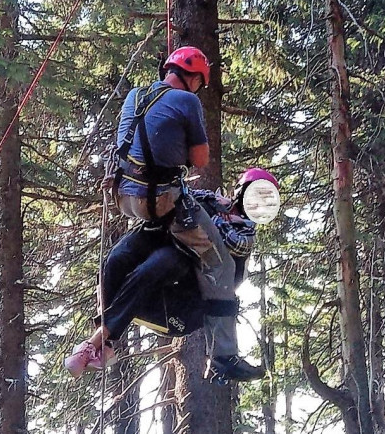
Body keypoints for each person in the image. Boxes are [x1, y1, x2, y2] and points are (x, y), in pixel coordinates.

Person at [65, 45, 257, 380]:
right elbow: (199, 160)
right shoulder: (188, 101)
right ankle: (225, 356)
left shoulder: (135, 96)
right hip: (161, 202)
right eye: (200, 81)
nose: (199, 88)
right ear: (194, 76)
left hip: (127, 199)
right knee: (221, 264)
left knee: (123, 256)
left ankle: (100, 342)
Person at [64, 169, 280, 382]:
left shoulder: (244, 234)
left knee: (159, 265)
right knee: (117, 259)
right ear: (243, 191)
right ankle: (105, 347)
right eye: (257, 195)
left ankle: (95, 342)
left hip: (182, 307)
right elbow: (172, 197)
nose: (258, 204)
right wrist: (124, 185)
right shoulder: (210, 199)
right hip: (150, 286)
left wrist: (204, 217)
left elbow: (226, 241)